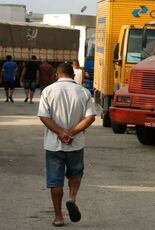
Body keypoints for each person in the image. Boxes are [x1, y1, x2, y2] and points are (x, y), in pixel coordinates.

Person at [37, 62, 96, 227]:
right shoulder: (84, 92)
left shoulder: (48, 91)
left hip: (53, 145)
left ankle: (58, 217)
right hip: (76, 144)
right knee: (75, 174)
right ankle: (72, 198)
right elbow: (90, 117)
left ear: (57, 74)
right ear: (73, 74)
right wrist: (71, 133)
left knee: (55, 181)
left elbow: (44, 116)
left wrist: (60, 132)